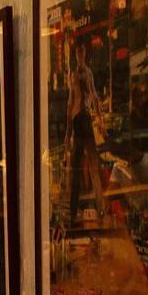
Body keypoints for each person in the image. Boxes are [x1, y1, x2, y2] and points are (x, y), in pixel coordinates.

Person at [65, 43, 104, 222]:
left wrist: (100, 121)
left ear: (84, 54)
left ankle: (100, 208)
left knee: (93, 165)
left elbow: (94, 96)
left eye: (82, 53)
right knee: (76, 168)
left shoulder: (88, 73)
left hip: (85, 120)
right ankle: (73, 212)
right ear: (76, 55)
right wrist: (68, 133)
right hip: (77, 121)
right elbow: (70, 103)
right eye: (78, 53)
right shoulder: (73, 75)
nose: (80, 56)